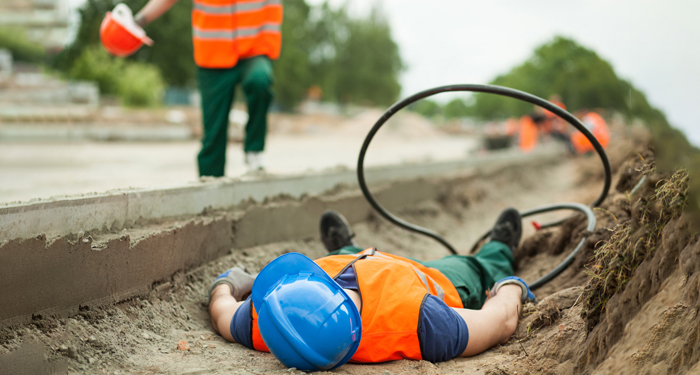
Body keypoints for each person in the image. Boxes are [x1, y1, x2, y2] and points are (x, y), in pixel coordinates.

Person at [208, 208, 536, 371]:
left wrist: (229, 283)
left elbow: (223, 311)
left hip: (357, 260)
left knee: (347, 257)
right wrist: (510, 288)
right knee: (475, 267)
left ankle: (348, 247)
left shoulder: (271, 322)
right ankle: (499, 248)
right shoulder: (423, 323)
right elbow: (499, 322)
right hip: (429, 278)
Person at [130, 0, 282, 175]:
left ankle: (255, 151)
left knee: (260, 80)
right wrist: (137, 21)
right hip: (213, 53)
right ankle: (210, 184)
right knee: (213, 133)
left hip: (255, 47)